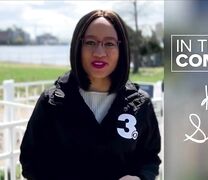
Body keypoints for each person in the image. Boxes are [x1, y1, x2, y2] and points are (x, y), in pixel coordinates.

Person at [20, 9, 161, 180]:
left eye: (109, 43)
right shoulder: (52, 103)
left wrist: (140, 178)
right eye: (90, 42)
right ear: (78, 46)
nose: (99, 52)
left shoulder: (140, 104)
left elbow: (149, 158)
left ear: (121, 48)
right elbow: (31, 161)